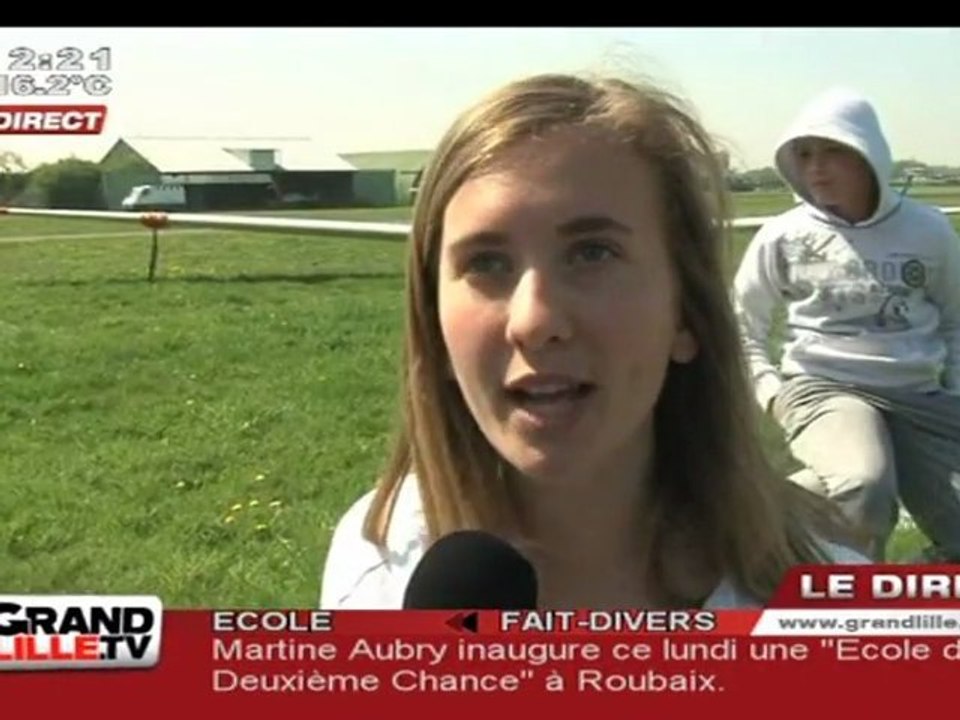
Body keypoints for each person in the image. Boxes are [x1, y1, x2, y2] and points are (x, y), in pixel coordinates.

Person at [321, 73, 866, 611]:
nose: (533, 320)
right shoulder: (378, 565)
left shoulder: (836, 618)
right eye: (486, 263)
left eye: (592, 253)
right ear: (433, 324)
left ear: (685, 312)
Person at [733, 87, 960, 562]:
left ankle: (777, 506)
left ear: (869, 155)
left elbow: (956, 322)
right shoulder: (784, 235)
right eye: (805, 153)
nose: (815, 167)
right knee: (864, 482)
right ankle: (847, 603)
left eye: (834, 150)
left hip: (918, 396)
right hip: (826, 387)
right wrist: (770, 391)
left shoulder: (929, 230)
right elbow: (743, 323)